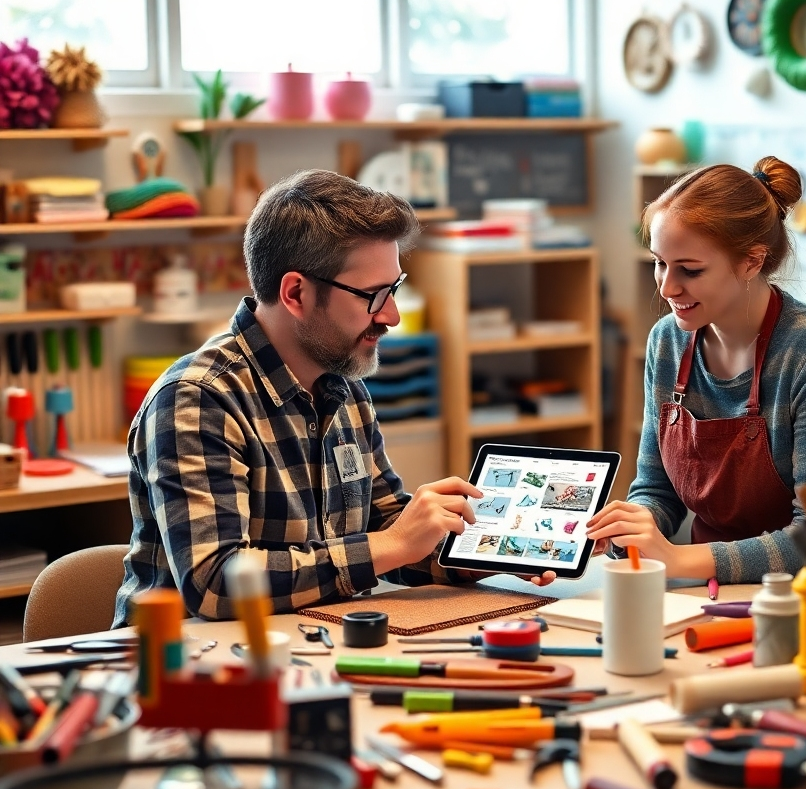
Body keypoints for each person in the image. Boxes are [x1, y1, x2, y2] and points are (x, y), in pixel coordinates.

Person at [115, 169, 551, 625]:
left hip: (312, 644)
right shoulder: (198, 399)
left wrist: (474, 550)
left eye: (394, 289)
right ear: (296, 293)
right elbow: (216, 582)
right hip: (191, 671)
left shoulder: (343, 384)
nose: (393, 316)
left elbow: (384, 532)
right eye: (373, 295)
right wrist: (395, 542)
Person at [587, 157, 806, 583]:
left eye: (690, 270)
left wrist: (680, 560)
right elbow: (656, 490)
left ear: (752, 261)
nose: (666, 287)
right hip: (712, 588)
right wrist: (629, 531)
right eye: (660, 262)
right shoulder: (668, 342)